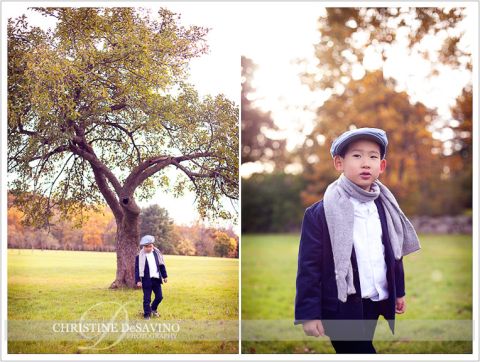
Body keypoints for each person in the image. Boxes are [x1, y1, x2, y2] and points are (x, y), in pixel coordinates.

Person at [294, 127, 421, 353]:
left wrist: (398, 291)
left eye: (373, 157)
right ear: (339, 163)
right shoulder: (320, 213)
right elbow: (308, 267)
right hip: (341, 305)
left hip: (373, 299)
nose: (366, 163)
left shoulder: (385, 206)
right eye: (357, 155)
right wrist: (308, 313)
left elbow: (393, 252)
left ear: (381, 166)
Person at [135, 235, 168, 320]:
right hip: (146, 280)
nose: (149, 248)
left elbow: (161, 265)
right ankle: (147, 315)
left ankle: (153, 309)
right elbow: (137, 269)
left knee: (159, 297)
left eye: (150, 246)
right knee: (147, 299)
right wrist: (138, 280)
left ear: (152, 245)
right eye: (146, 247)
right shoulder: (139, 256)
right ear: (143, 247)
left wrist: (165, 276)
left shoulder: (156, 253)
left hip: (156, 279)